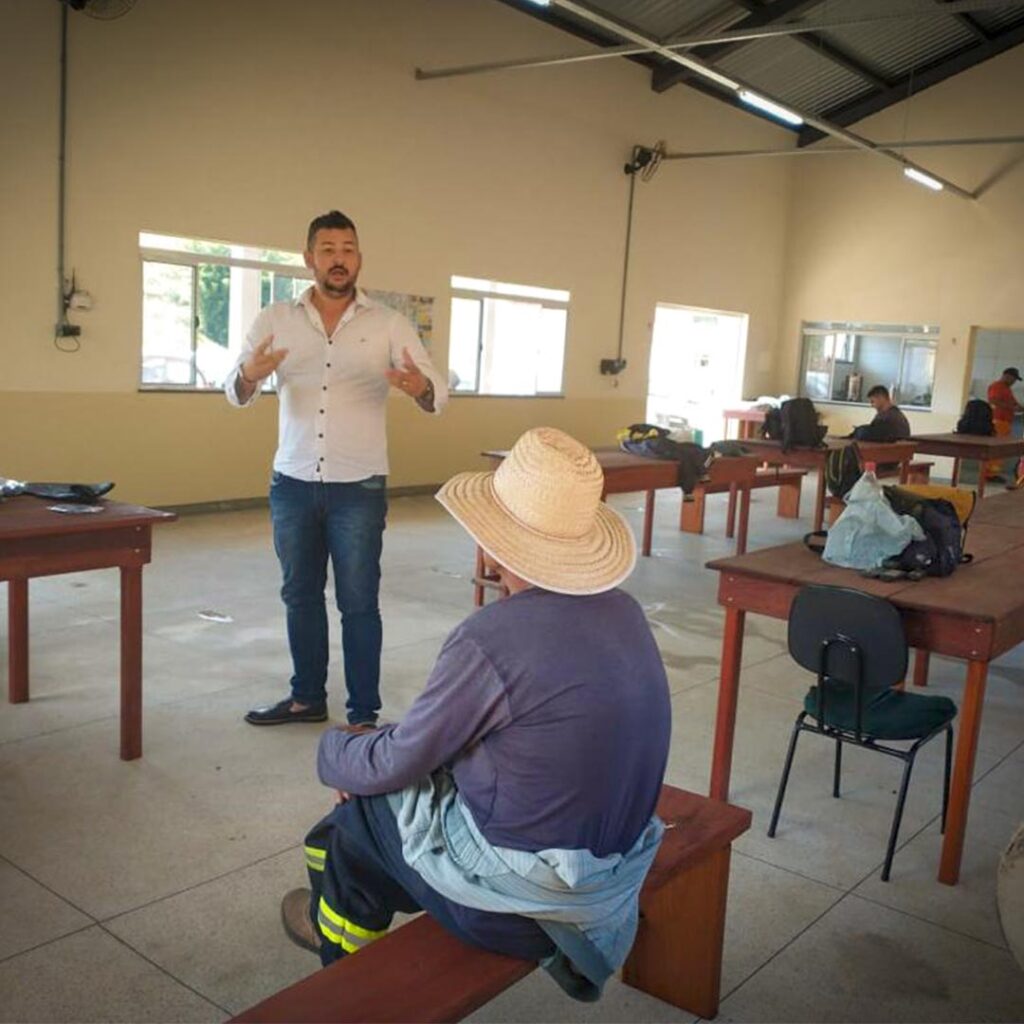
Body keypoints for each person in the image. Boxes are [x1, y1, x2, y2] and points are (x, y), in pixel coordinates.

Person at [278, 427, 672, 1001]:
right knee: (388, 794)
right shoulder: (626, 613)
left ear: (494, 543)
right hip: (607, 877)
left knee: (355, 821)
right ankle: (343, 913)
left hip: (523, 905)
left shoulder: (492, 638)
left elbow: (397, 760)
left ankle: (343, 969)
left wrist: (336, 746)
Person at [225, 210, 447, 727]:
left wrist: (420, 387)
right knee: (300, 595)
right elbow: (234, 390)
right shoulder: (275, 319)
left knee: (359, 602)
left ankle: (363, 714)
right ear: (309, 258)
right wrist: (250, 375)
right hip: (293, 484)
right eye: (327, 250)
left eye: (347, 249)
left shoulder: (388, 323)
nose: (338, 259)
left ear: (359, 258)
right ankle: (307, 698)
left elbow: (437, 391)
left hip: (359, 488)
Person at [985, 367, 1023, 482]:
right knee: (997, 448)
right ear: (1007, 376)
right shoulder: (997, 386)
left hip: (1005, 423)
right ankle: (989, 474)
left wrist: (1019, 407)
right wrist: (1012, 408)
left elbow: (1014, 404)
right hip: (998, 421)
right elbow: (993, 401)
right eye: (1013, 379)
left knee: (1001, 449)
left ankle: (993, 473)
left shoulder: (1007, 389)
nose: (1014, 382)